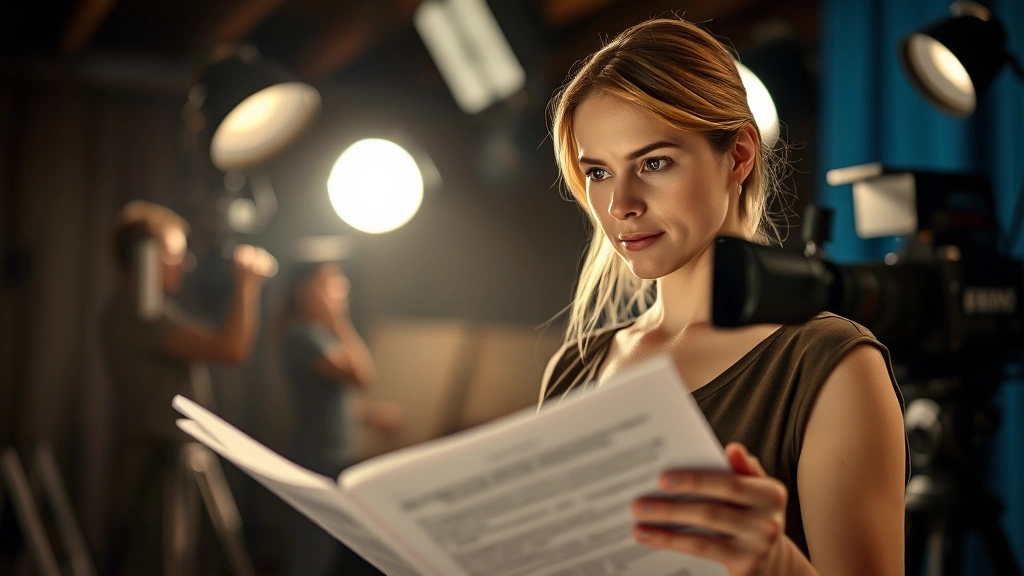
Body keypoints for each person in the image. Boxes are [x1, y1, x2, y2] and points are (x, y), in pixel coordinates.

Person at [539, 17, 909, 576]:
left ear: (738, 155)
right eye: (597, 171)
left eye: (653, 163)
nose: (620, 204)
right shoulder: (574, 368)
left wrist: (775, 562)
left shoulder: (829, 363)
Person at [100, 200, 276, 575]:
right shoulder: (140, 310)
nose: (185, 263)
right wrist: (247, 288)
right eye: (175, 253)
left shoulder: (140, 308)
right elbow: (231, 350)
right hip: (163, 461)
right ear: (147, 257)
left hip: (166, 455)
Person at [277, 257, 401, 576]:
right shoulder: (304, 336)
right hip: (319, 456)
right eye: (330, 284)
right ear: (305, 291)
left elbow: (330, 401)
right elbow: (361, 376)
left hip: (335, 454)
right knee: (313, 551)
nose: (341, 291)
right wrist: (339, 319)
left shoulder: (319, 336)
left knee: (332, 550)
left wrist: (371, 416)